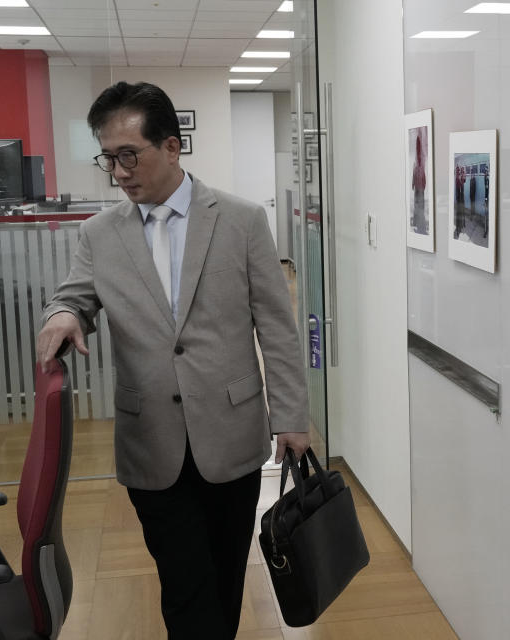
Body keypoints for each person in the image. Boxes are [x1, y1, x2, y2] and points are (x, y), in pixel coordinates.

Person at [35, 81, 309, 640]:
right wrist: (63, 315)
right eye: (108, 159)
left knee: (226, 574)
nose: (119, 172)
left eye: (129, 155)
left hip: (231, 434)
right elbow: (75, 295)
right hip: (150, 439)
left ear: (172, 147)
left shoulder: (240, 220)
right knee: (183, 579)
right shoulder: (99, 233)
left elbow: (277, 327)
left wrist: (292, 416)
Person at [410, 132, 427, 234]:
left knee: (420, 204)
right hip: (418, 186)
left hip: (419, 186)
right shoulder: (416, 164)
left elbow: (423, 175)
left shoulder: (420, 164)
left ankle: (419, 221)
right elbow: (414, 174)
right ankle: (417, 221)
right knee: (418, 203)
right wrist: (413, 184)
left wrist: (423, 185)